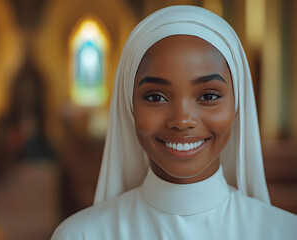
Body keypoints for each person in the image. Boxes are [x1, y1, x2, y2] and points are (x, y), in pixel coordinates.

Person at [52, 5, 297, 239]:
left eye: (208, 96)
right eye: (156, 97)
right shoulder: (81, 235)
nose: (182, 121)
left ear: (236, 105)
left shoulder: (284, 233)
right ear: (129, 106)